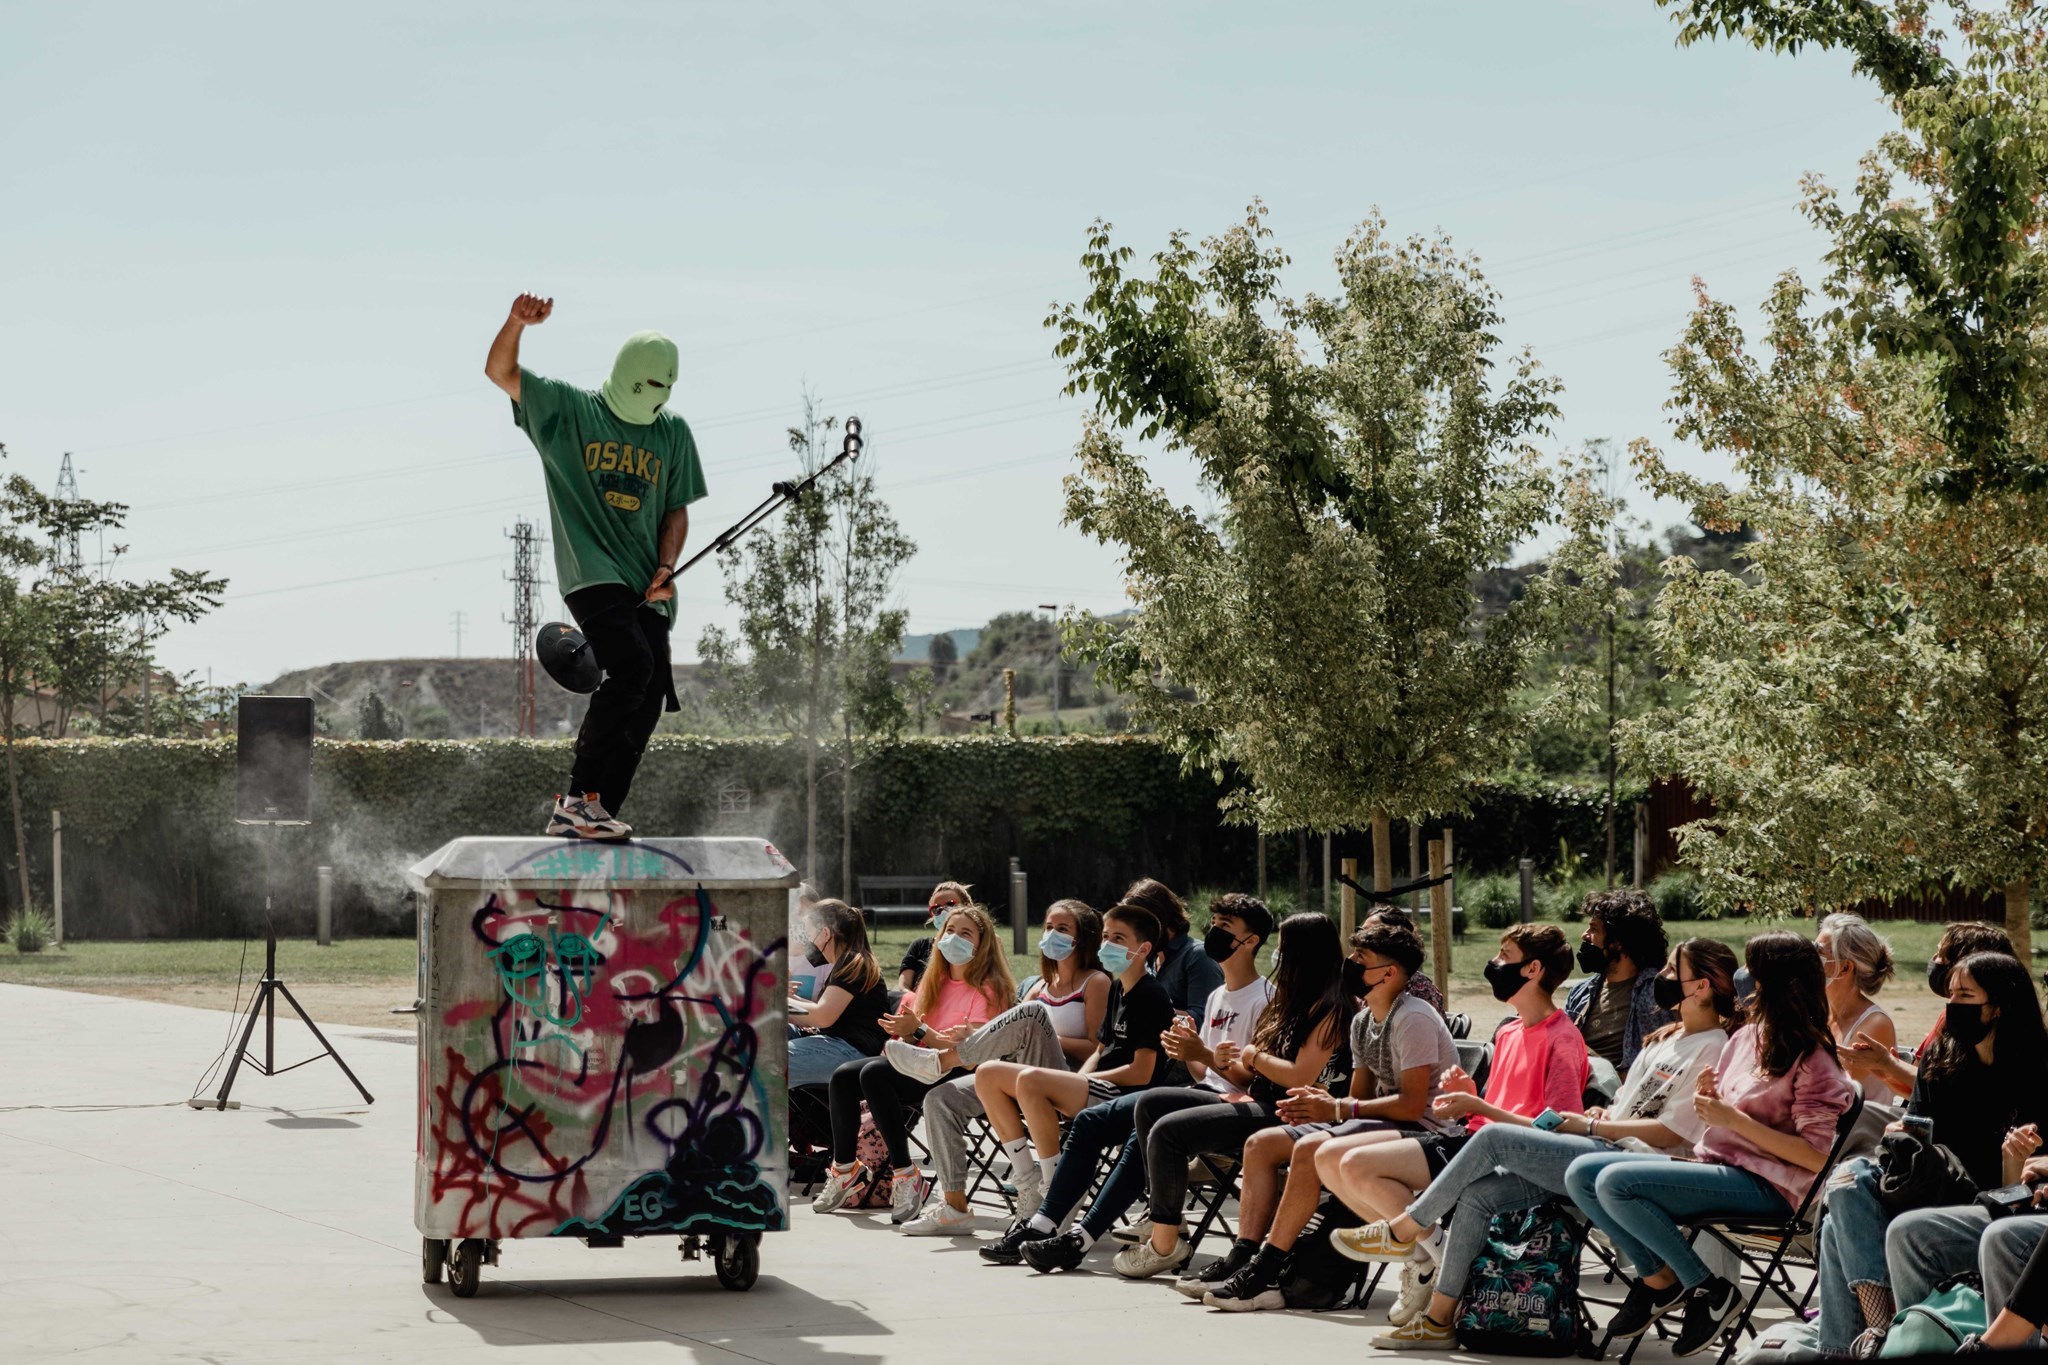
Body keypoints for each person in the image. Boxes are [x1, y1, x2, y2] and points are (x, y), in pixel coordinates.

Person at [1330, 939, 1737, 1348]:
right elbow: (1627, 1110)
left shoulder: (1713, 1048)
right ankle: (1438, 1320)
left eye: (1671, 971)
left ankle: (1405, 1228)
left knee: (1492, 1138)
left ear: (1699, 987)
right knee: (1477, 1195)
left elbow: (1670, 1134)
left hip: (1630, 1164)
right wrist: (1603, 1116)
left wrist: (1596, 1128)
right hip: (1596, 1151)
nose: (1661, 979)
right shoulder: (1663, 1040)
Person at [1563, 932, 1855, 1359]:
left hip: (1770, 1187)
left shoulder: (1813, 1058)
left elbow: (1816, 1158)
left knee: (1615, 1182)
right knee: (1582, 1175)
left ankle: (1701, 1286)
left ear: (1774, 982)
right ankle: (1667, 1281)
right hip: (1718, 1168)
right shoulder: (1746, 1038)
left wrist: (1732, 1119)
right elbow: (1726, 1119)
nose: (1741, 979)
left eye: (1752, 972)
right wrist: (1712, 1102)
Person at [484, 293, 706, 840]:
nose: (655, 400)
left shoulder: (672, 432)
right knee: (631, 667)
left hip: (648, 586)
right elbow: (500, 370)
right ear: (626, 376)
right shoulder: (569, 409)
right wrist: (516, 322)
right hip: (590, 572)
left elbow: (675, 510)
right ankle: (575, 799)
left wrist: (666, 565)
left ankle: (596, 809)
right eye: (647, 388)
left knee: (650, 698)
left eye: (664, 391)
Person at [977, 894, 1275, 1268]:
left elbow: (1258, 1084)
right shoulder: (1217, 996)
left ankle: (1079, 1236)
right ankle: (1043, 1223)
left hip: (1230, 1107)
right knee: (1088, 1121)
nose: (1213, 932)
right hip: (1199, 1092)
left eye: (1225, 928)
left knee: (1146, 1120)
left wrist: (1199, 1054)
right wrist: (1191, 1054)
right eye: (1213, 924)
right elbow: (1206, 1073)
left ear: (1251, 941)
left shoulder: (1265, 999)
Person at [1323, 923, 1587, 1333]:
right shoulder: (1510, 1030)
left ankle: (1407, 1237)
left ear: (1533, 969)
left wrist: (1478, 1105)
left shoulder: (1562, 1037)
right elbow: (1498, 1108)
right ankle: (1419, 1249)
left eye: (1504, 956)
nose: (1494, 964)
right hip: (1474, 1144)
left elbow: (1560, 1126)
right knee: (1343, 1160)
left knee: (1359, 1164)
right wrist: (1471, 1093)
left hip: (1517, 1159)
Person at [1191, 918, 1459, 1311]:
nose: (1349, 963)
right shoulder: (1365, 1018)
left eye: (1360, 958)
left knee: (1310, 1150)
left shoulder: (1412, 1017)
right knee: (1263, 1142)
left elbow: (1411, 1106)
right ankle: (1250, 1257)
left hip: (1427, 1131)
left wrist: (1334, 1110)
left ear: (1389, 972)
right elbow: (1360, 1097)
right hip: (1387, 1123)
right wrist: (1318, 1102)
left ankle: (1265, 1269)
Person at [1086, 912, 1348, 1281]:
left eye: (1285, 948)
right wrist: (1207, 1055)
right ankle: (1168, 1222)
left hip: (1286, 1111)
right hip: (1253, 1097)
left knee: (1169, 1131)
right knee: (1151, 1104)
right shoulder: (1287, 1003)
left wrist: (1252, 1057)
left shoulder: (1328, 1007)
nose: (1278, 956)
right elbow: (1244, 1074)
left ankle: (1164, 1246)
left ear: (1305, 954)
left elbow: (1297, 1076)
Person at [1817, 951, 2048, 1355]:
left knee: (1848, 1231)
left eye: (1965, 996)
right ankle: (1882, 1336)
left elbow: (2020, 1191)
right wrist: (1902, 1133)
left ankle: (1892, 1341)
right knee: (1849, 1181)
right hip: (1933, 1184)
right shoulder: (1943, 1059)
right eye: (1951, 994)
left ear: (1997, 1006)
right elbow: (1915, 1127)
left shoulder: (2038, 1070)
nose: (1953, 1005)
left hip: (1995, 1200)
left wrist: (2014, 1160)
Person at [891, 900, 1111, 1235]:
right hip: (1013, 1076)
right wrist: (994, 1038)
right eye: (1048, 927)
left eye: (1062, 929)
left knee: (1033, 1017)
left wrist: (1043, 1034)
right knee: (939, 1100)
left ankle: (943, 1060)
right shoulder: (1038, 985)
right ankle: (955, 1207)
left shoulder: (1094, 982)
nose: (1051, 934)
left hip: (1065, 1079)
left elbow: (1098, 1046)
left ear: (1083, 939)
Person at [971, 902, 1177, 1218]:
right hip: (1094, 1085)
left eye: (1119, 939)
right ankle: (1028, 1179)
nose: (1108, 944)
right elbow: (1099, 1050)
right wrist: (1080, 1077)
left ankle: (1055, 1189)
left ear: (1144, 948)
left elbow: (1141, 1072)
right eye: (1106, 936)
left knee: (1029, 1079)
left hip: (1120, 1096)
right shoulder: (1120, 988)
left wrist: (1087, 1080)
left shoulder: (1150, 995)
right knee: (987, 1073)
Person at [811, 904, 1015, 1223]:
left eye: (965, 933)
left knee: (874, 1074)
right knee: (843, 1076)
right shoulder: (934, 981)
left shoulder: (990, 988)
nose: (953, 938)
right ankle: (845, 1168)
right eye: (949, 931)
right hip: (923, 1062)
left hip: (959, 1070)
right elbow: (918, 1035)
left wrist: (919, 1031)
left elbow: (974, 1049)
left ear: (982, 943)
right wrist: (905, 1034)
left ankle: (906, 1174)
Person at [1839, 920, 2017, 1101]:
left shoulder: (1974, 1026)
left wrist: (1888, 1064)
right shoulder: (1954, 1016)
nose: (1934, 960)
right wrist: (1886, 1070)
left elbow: (1950, 1092)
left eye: (1941, 953)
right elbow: (1920, 1090)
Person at [1564, 888, 1672, 1074]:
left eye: (1594, 929)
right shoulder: (1582, 990)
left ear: (1619, 941)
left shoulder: (1654, 994)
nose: (1584, 935)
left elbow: (1659, 1067)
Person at [787, 900, 893, 1089]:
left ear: (826, 933)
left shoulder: (853, 962)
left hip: (851, 1051)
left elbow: (822, 1016)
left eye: (810, 935)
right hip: (838, 1044)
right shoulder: (847, 961)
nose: (808, 944)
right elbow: (822, 1012)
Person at [1125, 878, 1225, 1016]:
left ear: (1162, 919)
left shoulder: (1198, 956)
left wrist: (1149, 1011)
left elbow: (1207, 1019)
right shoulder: (1149, 958)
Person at [1818, 911, 1898, 1056]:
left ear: (1844, 968)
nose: (1810, 957)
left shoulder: (1876, 1024)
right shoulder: (1818, 1012)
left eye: (1818, 952)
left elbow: (1831, 1078)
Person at [1362, 905, 1447, 1016]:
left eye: (1371, 934)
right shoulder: (1367, 981)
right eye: (1360, 931)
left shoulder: (1418, 994)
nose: (1361, 938)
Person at [897, 881, 973, 993]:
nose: (943, 912)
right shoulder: (920, 947)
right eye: (936, 909)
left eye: (950, 905)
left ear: (967, 906)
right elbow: (903, 987)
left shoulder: (978, 947)